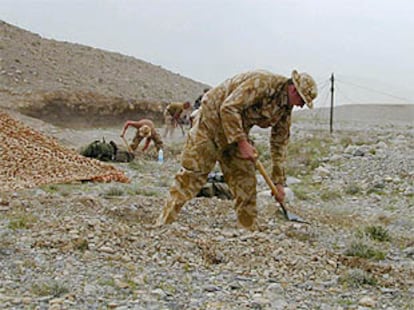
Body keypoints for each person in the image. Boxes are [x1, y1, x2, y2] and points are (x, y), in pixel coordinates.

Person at [156, 69, 317, 230]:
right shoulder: (262, 83)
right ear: (294, 89)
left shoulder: (285, 109)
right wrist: (242, 143)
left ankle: (248, 233)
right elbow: (228, 108)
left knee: (246, 181)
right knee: (191, 177)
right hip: (209, 126)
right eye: (302, 101)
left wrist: (279, 183)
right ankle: (162, 226)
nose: (301, 106)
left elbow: (279, 145)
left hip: (234, 134)